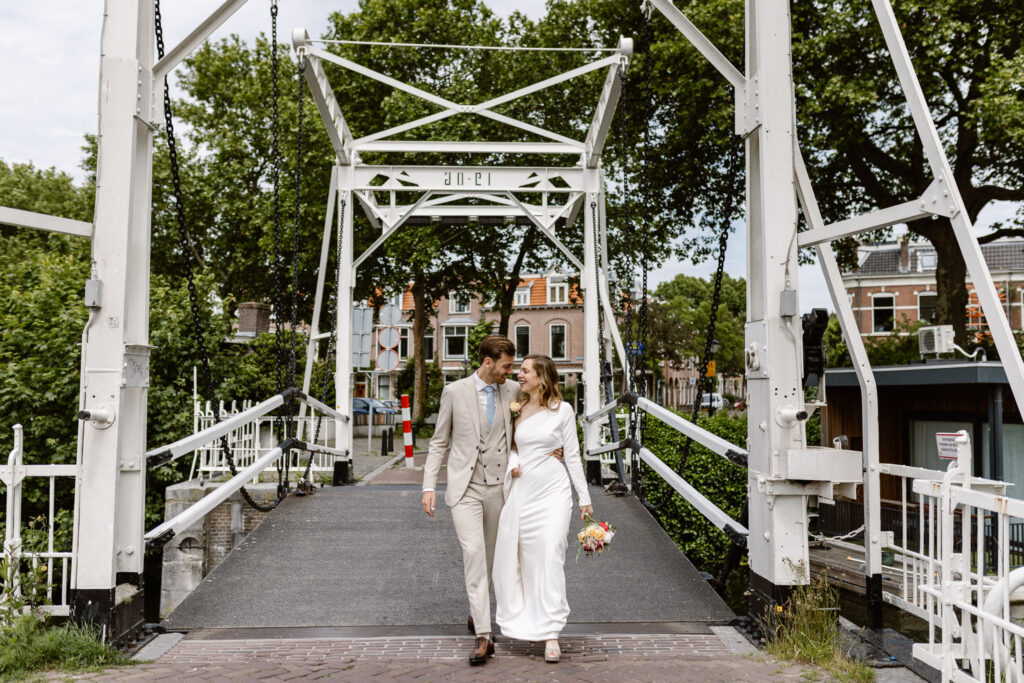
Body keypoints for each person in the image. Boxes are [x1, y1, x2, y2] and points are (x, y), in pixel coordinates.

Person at [421, 335, 562, 666]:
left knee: (492, 559)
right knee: (473, 556)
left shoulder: (513, 392)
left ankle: (476, 611)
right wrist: (428, 485)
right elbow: (440, 442)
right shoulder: (454, 392)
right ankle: (484, 634)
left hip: (500, 487)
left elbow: (541, 411)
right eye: (507, 366)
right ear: (488, 363)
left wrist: (553, 446)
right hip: (465, 488)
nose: (511, 373)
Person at [492, 354, 593, 664]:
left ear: (542, 377)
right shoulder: (517, 409)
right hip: (524, 491)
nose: (519, 375)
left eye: (524, 371)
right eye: (519, 371)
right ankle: (524, 620)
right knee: (522, 557)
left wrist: (584, 498)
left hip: (553, 491)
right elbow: (510, 448)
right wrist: (514, 466)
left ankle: (551, 634)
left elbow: (572, 455)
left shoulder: (562, 410)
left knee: (551, 554)